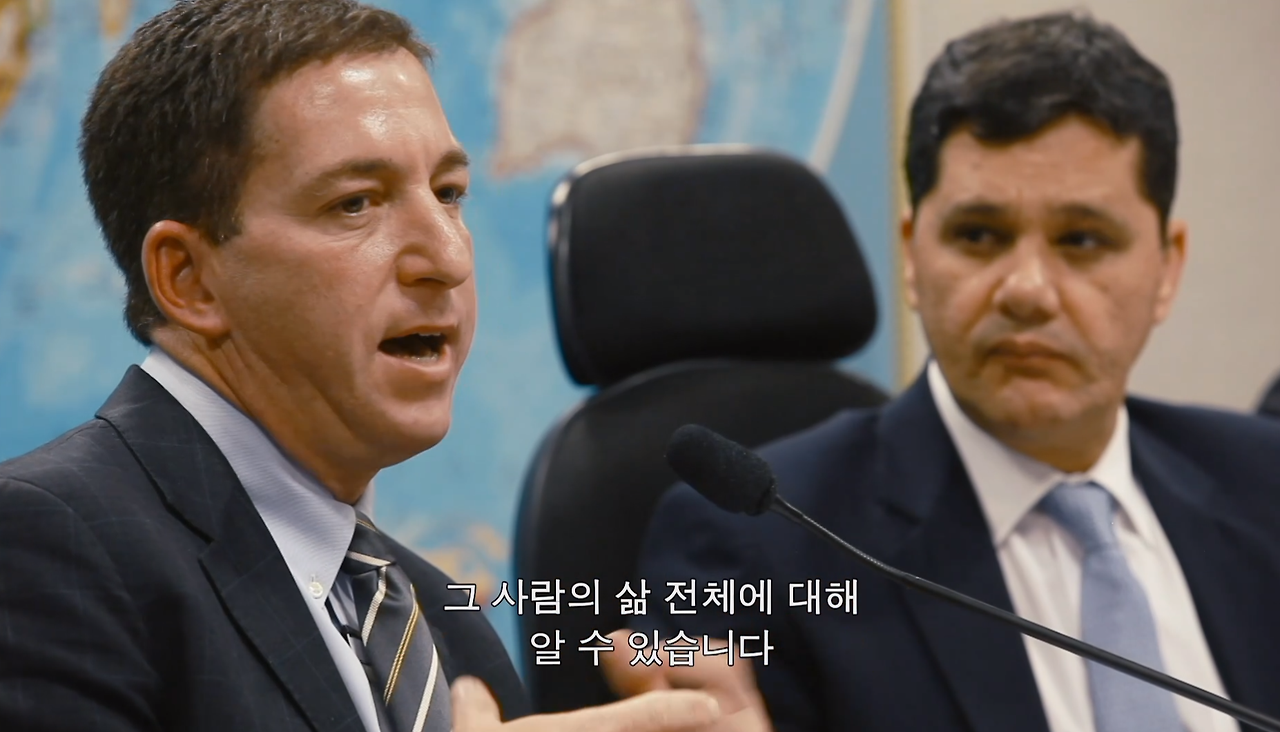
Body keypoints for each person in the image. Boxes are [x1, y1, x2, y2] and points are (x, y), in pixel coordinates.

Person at [0, 1, 770, 731]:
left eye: (450, 192)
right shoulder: (46, 543)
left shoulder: (443, 624)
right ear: (190, 279)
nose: (447, 257)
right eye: (356, 203)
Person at [638, 12, 1280, 732]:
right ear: (913, 255)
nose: (1027, 290)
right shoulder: (756, 544)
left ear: (1168, 268)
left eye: (1082, 240)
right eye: (979, 235)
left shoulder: (1265, 483)